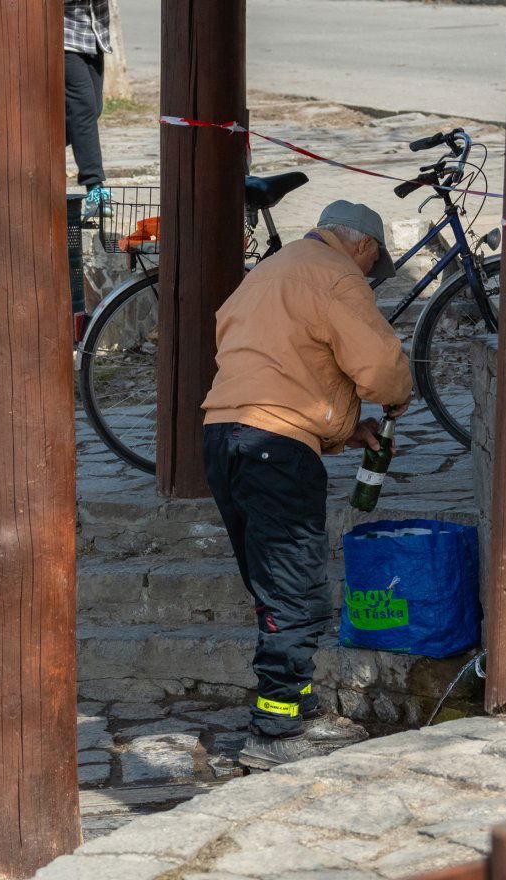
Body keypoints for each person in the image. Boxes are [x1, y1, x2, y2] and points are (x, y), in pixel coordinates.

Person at [202, 201, 413, 770]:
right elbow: (379, 365)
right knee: (296, 590)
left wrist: (343, 430)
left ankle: (293, 702)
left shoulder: (269, 271)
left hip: (224, 436)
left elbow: (280, 367)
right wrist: (396, 392)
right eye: (374, 265)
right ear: (363, 246)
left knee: (272, 587)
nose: (369, 275)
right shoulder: (337, 275)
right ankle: (274, 729)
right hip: (275, 449)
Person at [64, 0, 113, 219]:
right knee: (83, 109)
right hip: (63, 37)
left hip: (92, 36)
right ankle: (94, 187)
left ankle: (32, 153)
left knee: (92, 111)